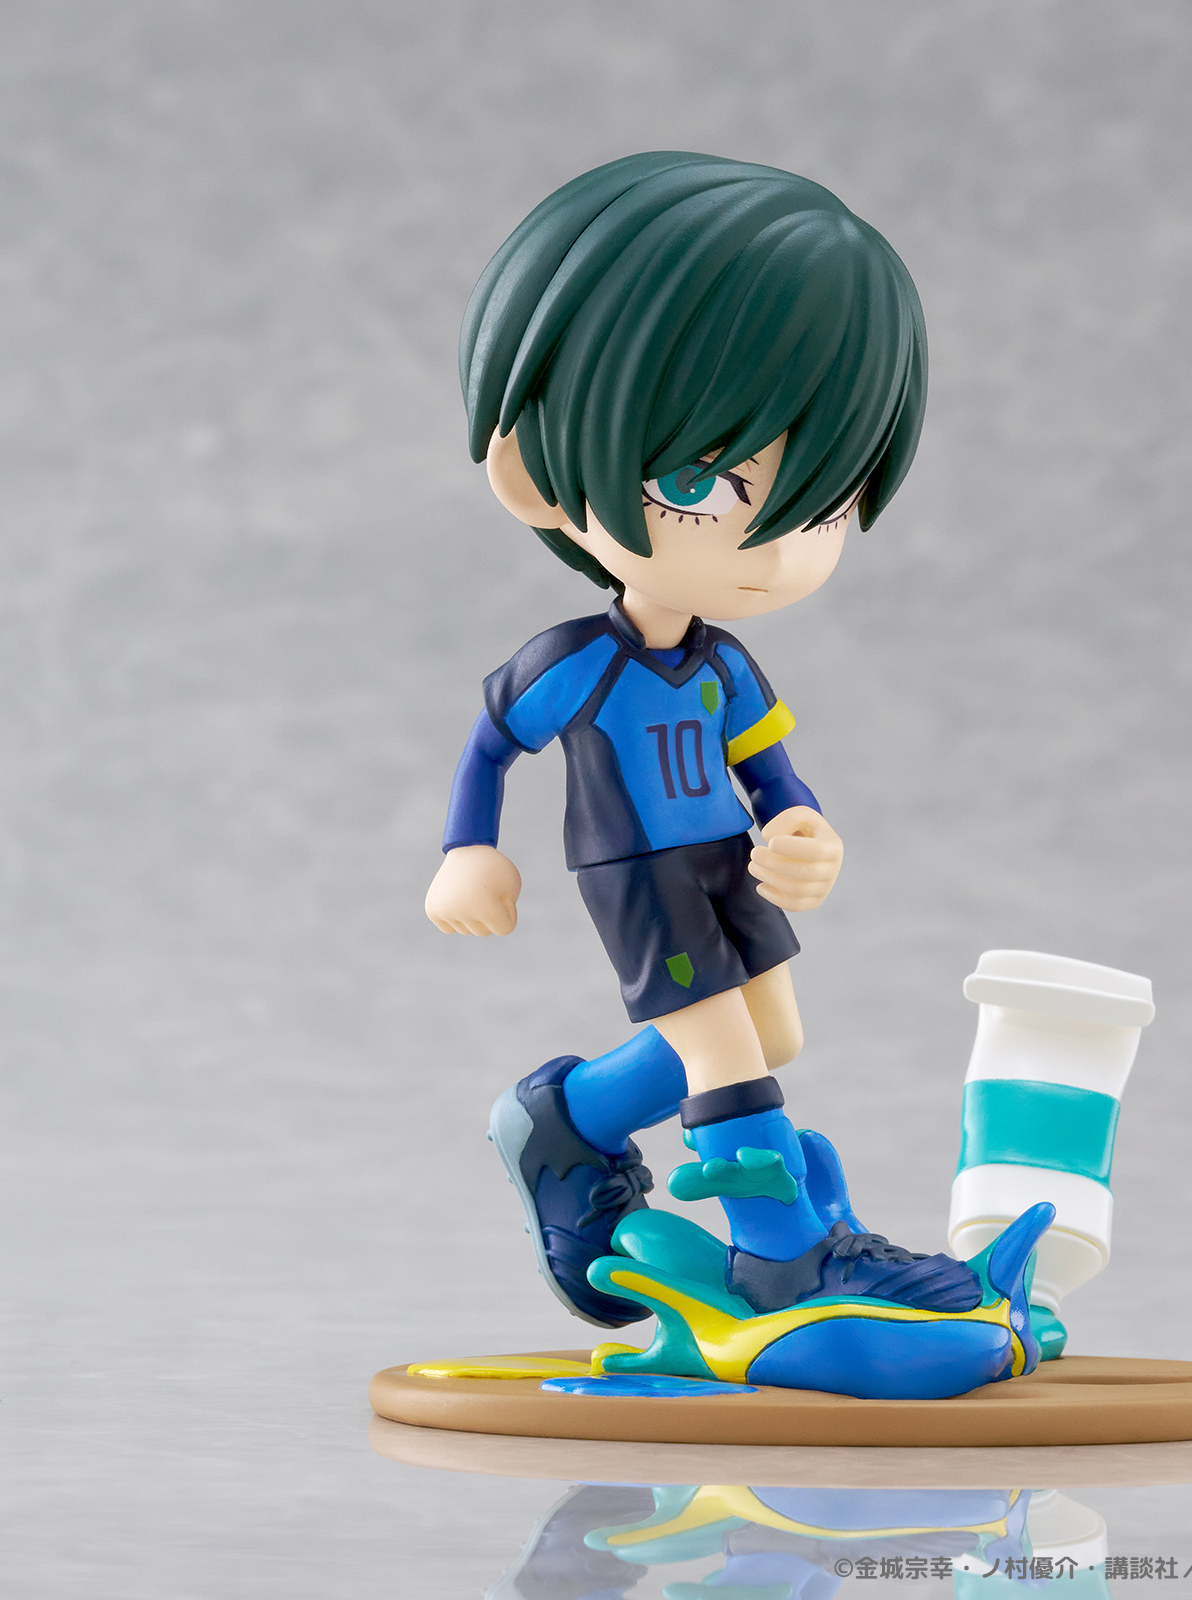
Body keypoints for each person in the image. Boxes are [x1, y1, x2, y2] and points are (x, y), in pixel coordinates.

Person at [426, 152, 979, 1327]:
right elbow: (490, 746)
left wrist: (802, 829)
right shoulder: (575, 663)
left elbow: (771, 774)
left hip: (722, 858)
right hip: (637, 870)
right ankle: (784, 1255)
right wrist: (467, 850)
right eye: (702, 484)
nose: (774, 551)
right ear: (533, 474)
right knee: (725, 1043)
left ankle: (563, 1121)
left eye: (822, 502)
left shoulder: (726, 663)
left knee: (773, 1027)